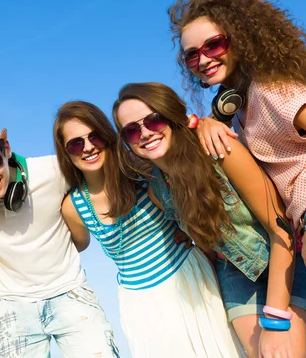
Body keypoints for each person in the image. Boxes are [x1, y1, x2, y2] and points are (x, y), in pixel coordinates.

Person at [168, 0, 306, 357]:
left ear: (241, 39)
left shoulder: (272, 89)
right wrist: (211, 122)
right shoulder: (242, 107)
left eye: (213, 45)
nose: (202, 59)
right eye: (191, 55)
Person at [113, 82, 306, 358]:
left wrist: (274, 322)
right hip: (236, 273)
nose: (144, 133)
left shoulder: (219, 149)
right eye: (131, 130)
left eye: (153, 121)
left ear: (171, 116)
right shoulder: (158, 191)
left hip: (288, 260)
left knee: (288, 353)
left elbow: (281, 229)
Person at [54, 100, 243, 357]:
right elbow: (73, 246)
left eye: (94, 136)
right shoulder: (73, 207)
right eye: (75, 143)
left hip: (189, 279)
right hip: (141, 304)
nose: (88, 147)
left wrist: (205, 122)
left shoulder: (141, 171)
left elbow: (182, 148)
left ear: (107, 136)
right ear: (66, 153)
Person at [0, 113, 119, 358]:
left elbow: (109, 171)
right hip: (11, 304)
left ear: (6, 149)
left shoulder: (54, 171)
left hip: (69, 291)